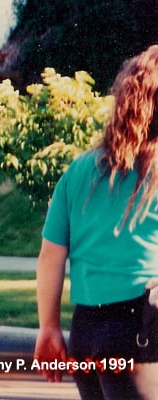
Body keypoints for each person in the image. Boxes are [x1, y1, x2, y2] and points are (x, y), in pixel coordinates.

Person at [34, 44, 158, 399]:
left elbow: (50, 257)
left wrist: (48, 328)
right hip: (144, 332)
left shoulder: (78, 171)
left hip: (85, 332)